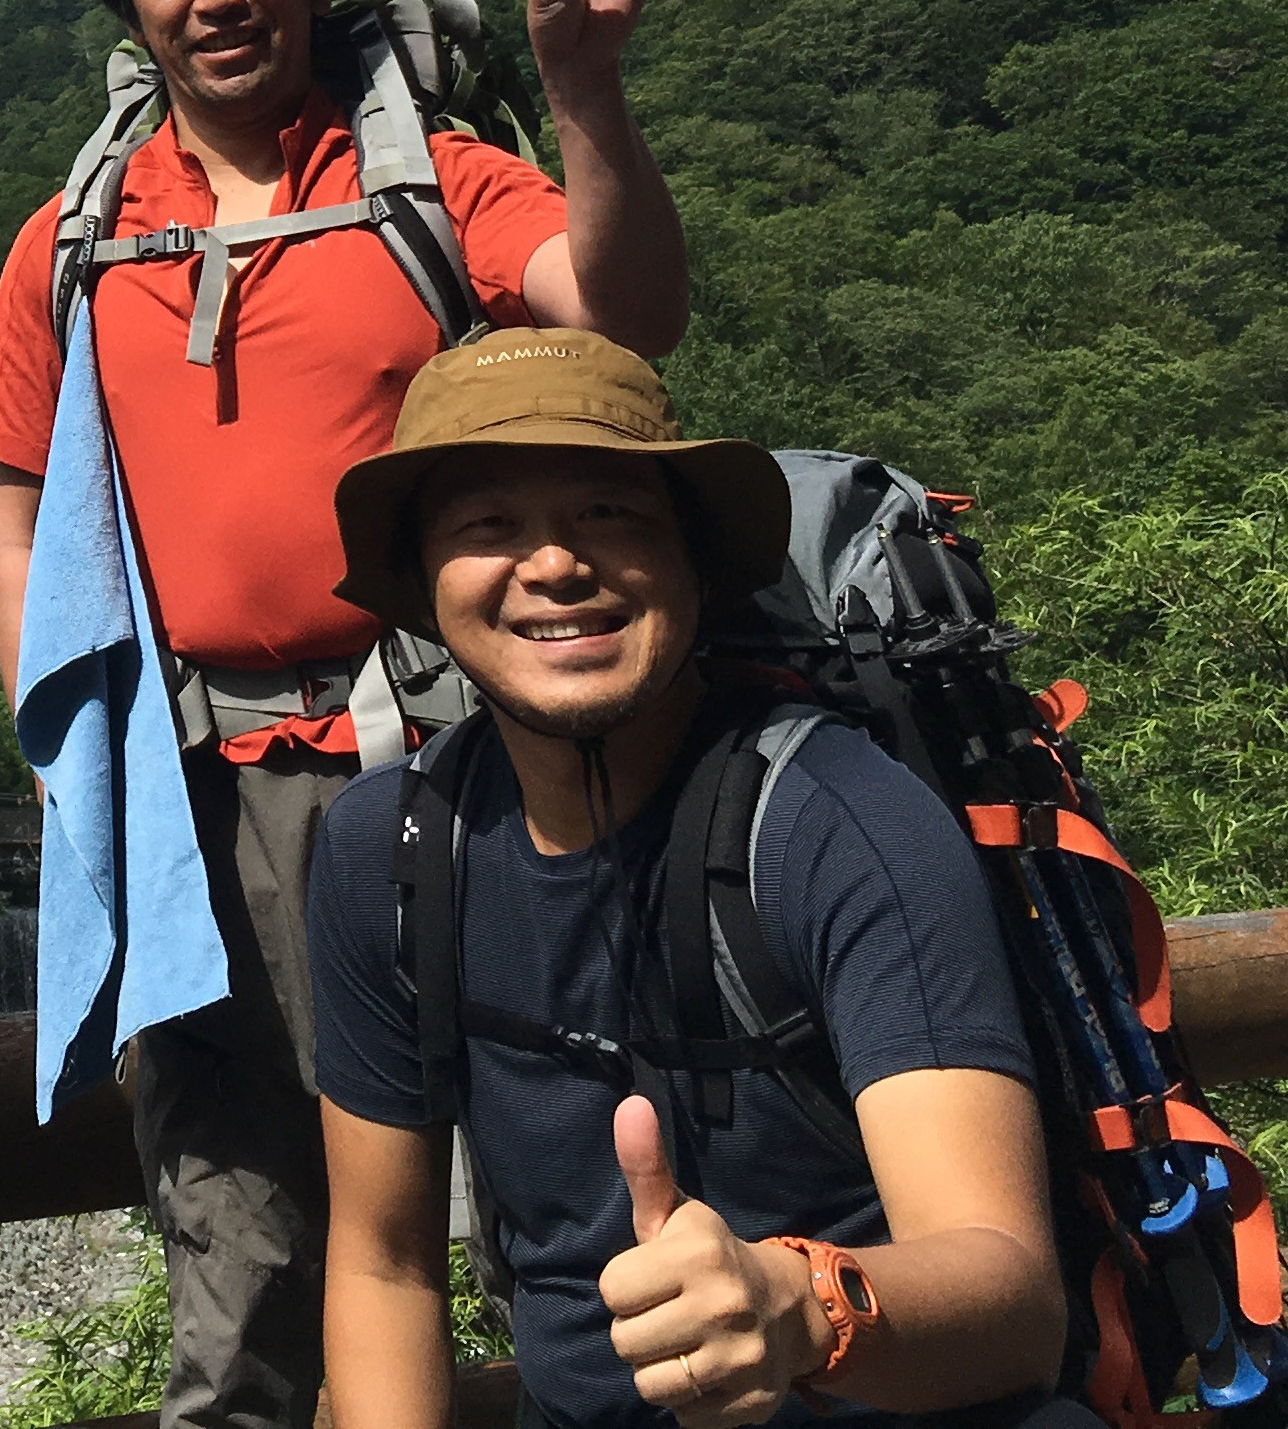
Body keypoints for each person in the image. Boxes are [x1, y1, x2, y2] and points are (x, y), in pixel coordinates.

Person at [0, 0, 691, 1429]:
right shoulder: (69, 240)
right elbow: (22, 518)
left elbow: (631, 315)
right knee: (229, 1212)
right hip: (180, 784)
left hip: (442, 762)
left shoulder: (431, 179)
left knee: (545, 1172)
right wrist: (55, 755)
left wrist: (581, 84)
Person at [308, 330, 1068, 1429]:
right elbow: (386, 1268)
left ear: (694, 564)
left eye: (609, 514)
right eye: (487, 526)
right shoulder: (389, 850)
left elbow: (1013, 1299)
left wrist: (805, 1307)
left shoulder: (836, 822)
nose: (556, 564)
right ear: (426, 590)